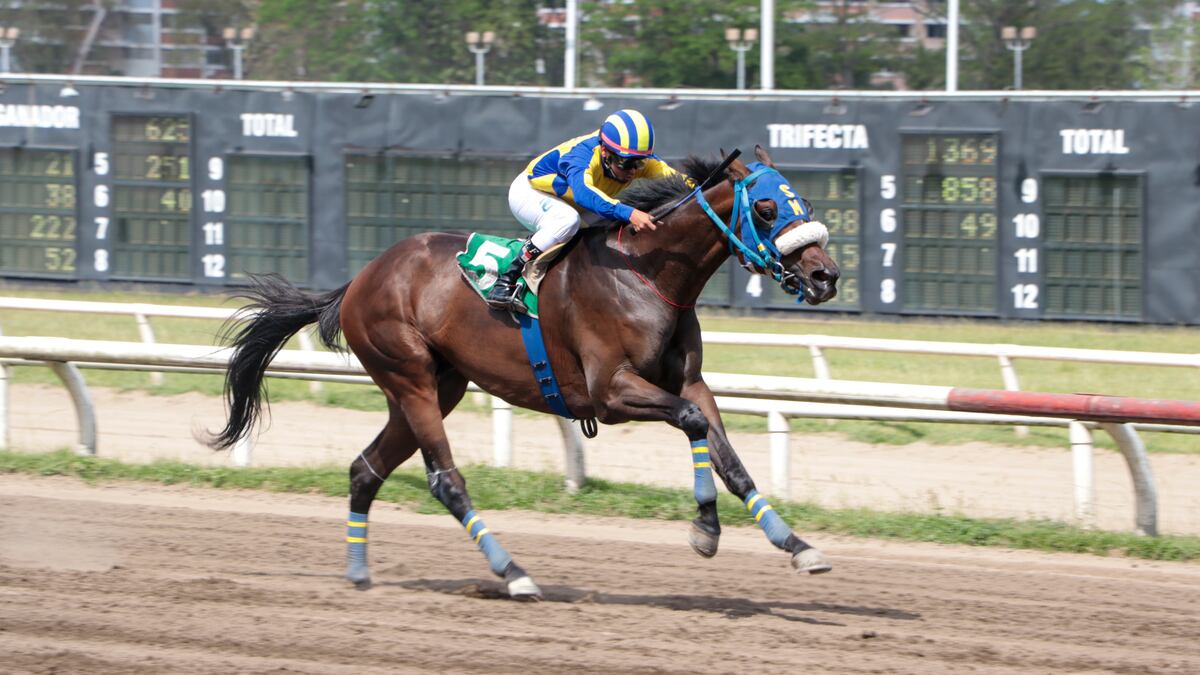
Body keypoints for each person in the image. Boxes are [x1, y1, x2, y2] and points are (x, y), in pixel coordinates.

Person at [486, 108, 679, 313]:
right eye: (626, 162)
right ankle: (506, 281)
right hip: (529, 193)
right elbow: (584, 195)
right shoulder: (582, 155)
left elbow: (678, 180)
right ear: (605, 151)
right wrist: (630, 212)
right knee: (568, 220)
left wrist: (713, 184)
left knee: (615, 227)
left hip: (568, 201)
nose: (632, 170)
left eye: (639, 163)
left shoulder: (634, 159)